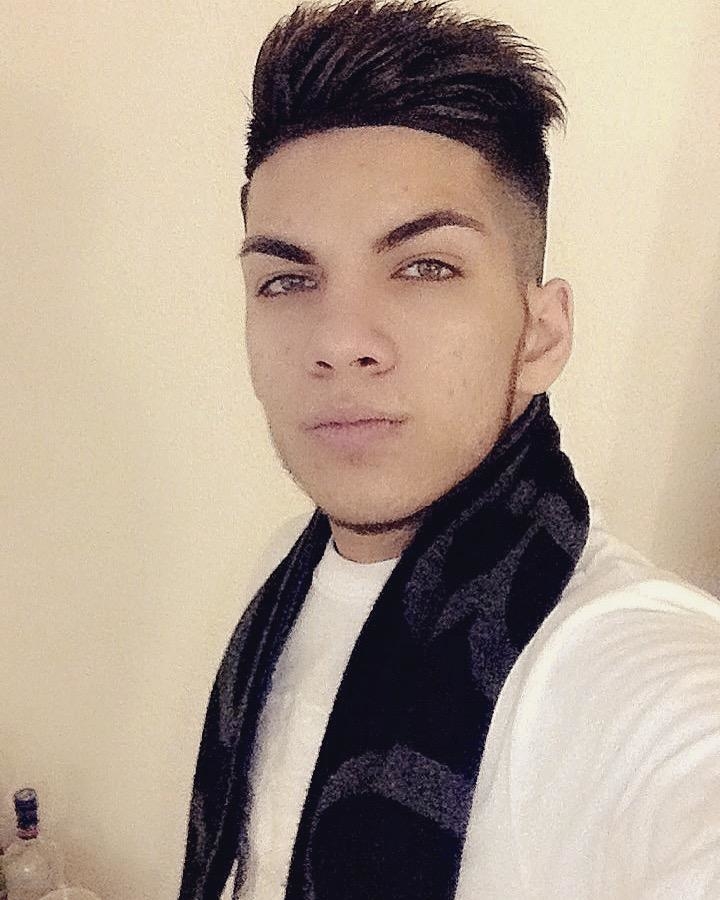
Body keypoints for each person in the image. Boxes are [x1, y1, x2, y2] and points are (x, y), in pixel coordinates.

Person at [179, 2, 720, 898]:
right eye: (287, 279)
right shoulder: (284, 576)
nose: (340, 341)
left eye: (425, 266)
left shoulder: (629, 674)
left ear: (541, 334)